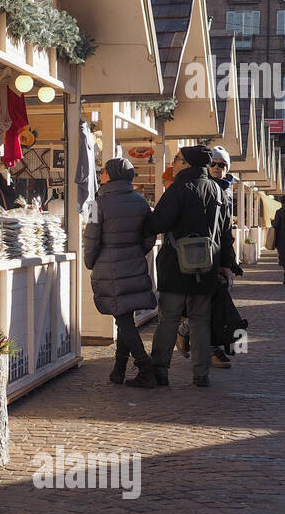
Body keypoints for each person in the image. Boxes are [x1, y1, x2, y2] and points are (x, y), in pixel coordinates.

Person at [146, 145, 240, 388]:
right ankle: (201, 374)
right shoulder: (219, 192)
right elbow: (226, 234)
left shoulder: (178, 189)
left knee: (168, 319)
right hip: (207, 266)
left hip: (175, 266)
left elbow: (158, 223)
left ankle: (160, 371)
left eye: (177, 159)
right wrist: (226, 265)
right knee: (200, 320)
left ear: (187, 164)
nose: (174, 163)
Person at [83, 157, 158, 388]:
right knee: (125, 317)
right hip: (134, 263)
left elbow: (91, 236)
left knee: (123, 318)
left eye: (103, 170)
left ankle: (145, 367)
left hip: (110, 265)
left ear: (111, 174)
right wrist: (136, 251)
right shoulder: (140, 201)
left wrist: (90, 260)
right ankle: (119, 369)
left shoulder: (98, 203)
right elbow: (149, 235)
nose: (100, 173)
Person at [206, 147, 239, 368]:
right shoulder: (203, 187)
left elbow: (226, 231)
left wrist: (228, 263)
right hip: (199, 253)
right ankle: (209, 348)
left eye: (222, 165)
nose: (218, 168)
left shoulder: (226, 190)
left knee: (216, 303)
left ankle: (213, 348)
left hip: (217, 255)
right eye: (214, 164)